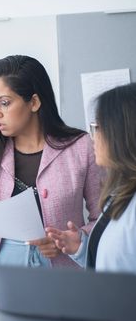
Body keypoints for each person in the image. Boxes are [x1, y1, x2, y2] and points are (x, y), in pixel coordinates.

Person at [0, 55, 103, 301]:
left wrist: (76, 240)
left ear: (34, 102)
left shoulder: (81, 147)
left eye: (5, 103)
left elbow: (104, 219)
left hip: (63, 276)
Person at [48, 83, 136, 272]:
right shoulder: (120, 195)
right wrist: (81, 248)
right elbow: (112, 263)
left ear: (122, 133)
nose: (93, 136)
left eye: (98, 127)